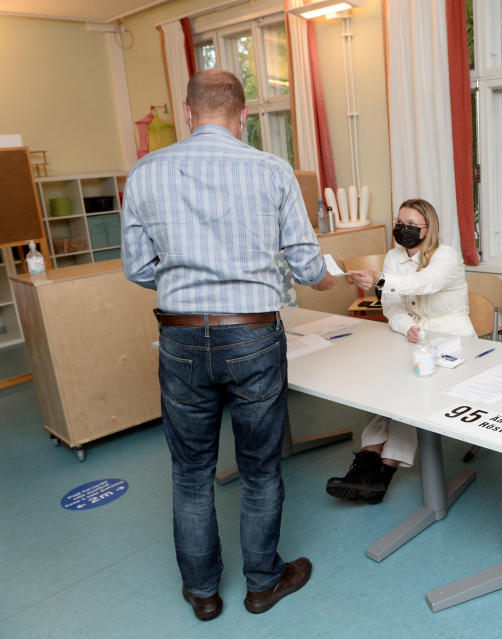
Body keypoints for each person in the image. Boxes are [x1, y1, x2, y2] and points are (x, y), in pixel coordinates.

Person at [122, 69, 336, 621]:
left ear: (189, 114)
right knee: (260, 469)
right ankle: (263, 583)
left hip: (180, 335)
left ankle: (203, 593)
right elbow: (307, 263)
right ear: (243, 117)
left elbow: (137, 266)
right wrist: (324, 277)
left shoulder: (146, 172)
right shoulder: (272, 170)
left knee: (191, 472)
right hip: (254, 332)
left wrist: (185, 285)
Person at [325, 198, 475, 504]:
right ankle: (367, 462)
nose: (402, 229)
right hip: (413, 335)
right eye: (399, 222)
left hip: (453, 338)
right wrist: (408, 327)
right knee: (381, 383)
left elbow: (424, 283)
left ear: (428, 229)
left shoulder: (446, 255)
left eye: (411, 225)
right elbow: (392, 308)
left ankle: (384, 470)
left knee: (411, 391)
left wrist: (380, 280)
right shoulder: (394, 257)